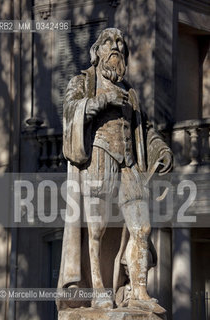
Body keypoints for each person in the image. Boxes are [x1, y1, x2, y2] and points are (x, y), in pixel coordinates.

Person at [58, 28, 172, 313]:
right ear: (96, 52)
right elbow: (70, 111)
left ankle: (139, 290)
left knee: (142, 227)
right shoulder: (83, 82)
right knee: (96, 229)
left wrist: (161, 149)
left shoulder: (130, 92)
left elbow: (144, 130)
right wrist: (99, 103)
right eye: (109, 43)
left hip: (129, 164)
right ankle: (98, 290)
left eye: (120, 44)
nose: (116, 48)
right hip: (99, 155)